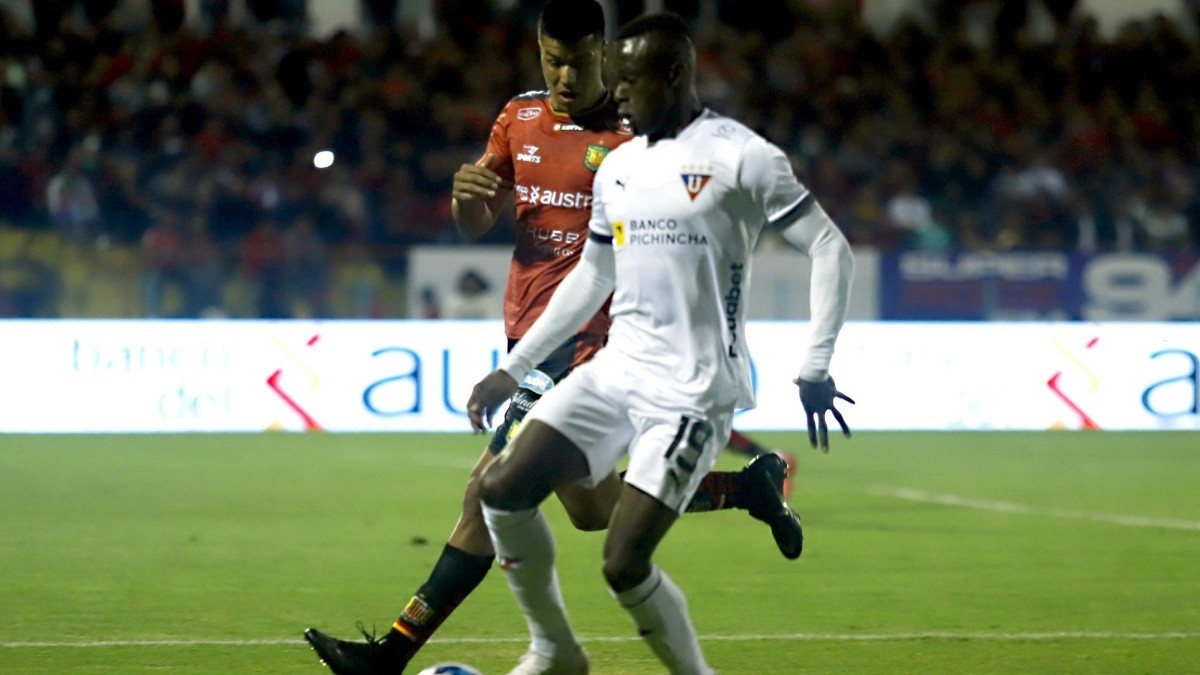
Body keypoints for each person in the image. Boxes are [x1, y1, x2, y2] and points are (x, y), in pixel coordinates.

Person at [303, 3, 802, 673]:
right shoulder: (519, 118)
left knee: (488, 492)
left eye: (579, 62)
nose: (565, 76)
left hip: (593, 344)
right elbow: (476, 221)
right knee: (592, 508)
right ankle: (747, 488)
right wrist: (466, 197)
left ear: (605, 55)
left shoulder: (638, 134)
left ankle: (391, 652)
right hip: (531, 335)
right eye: (553, 61)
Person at [467, 12, 855, 674]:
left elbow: (828, 245)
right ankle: (556, 650)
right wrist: (515, 367)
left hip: (694, 390)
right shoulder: (619, 167)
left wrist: (815, 364)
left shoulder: (742, 156)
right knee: (502, 490)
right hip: (616, 369)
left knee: (622, 562)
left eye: (629, 79)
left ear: (673, 74)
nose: (616, 93)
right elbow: (593, 276)